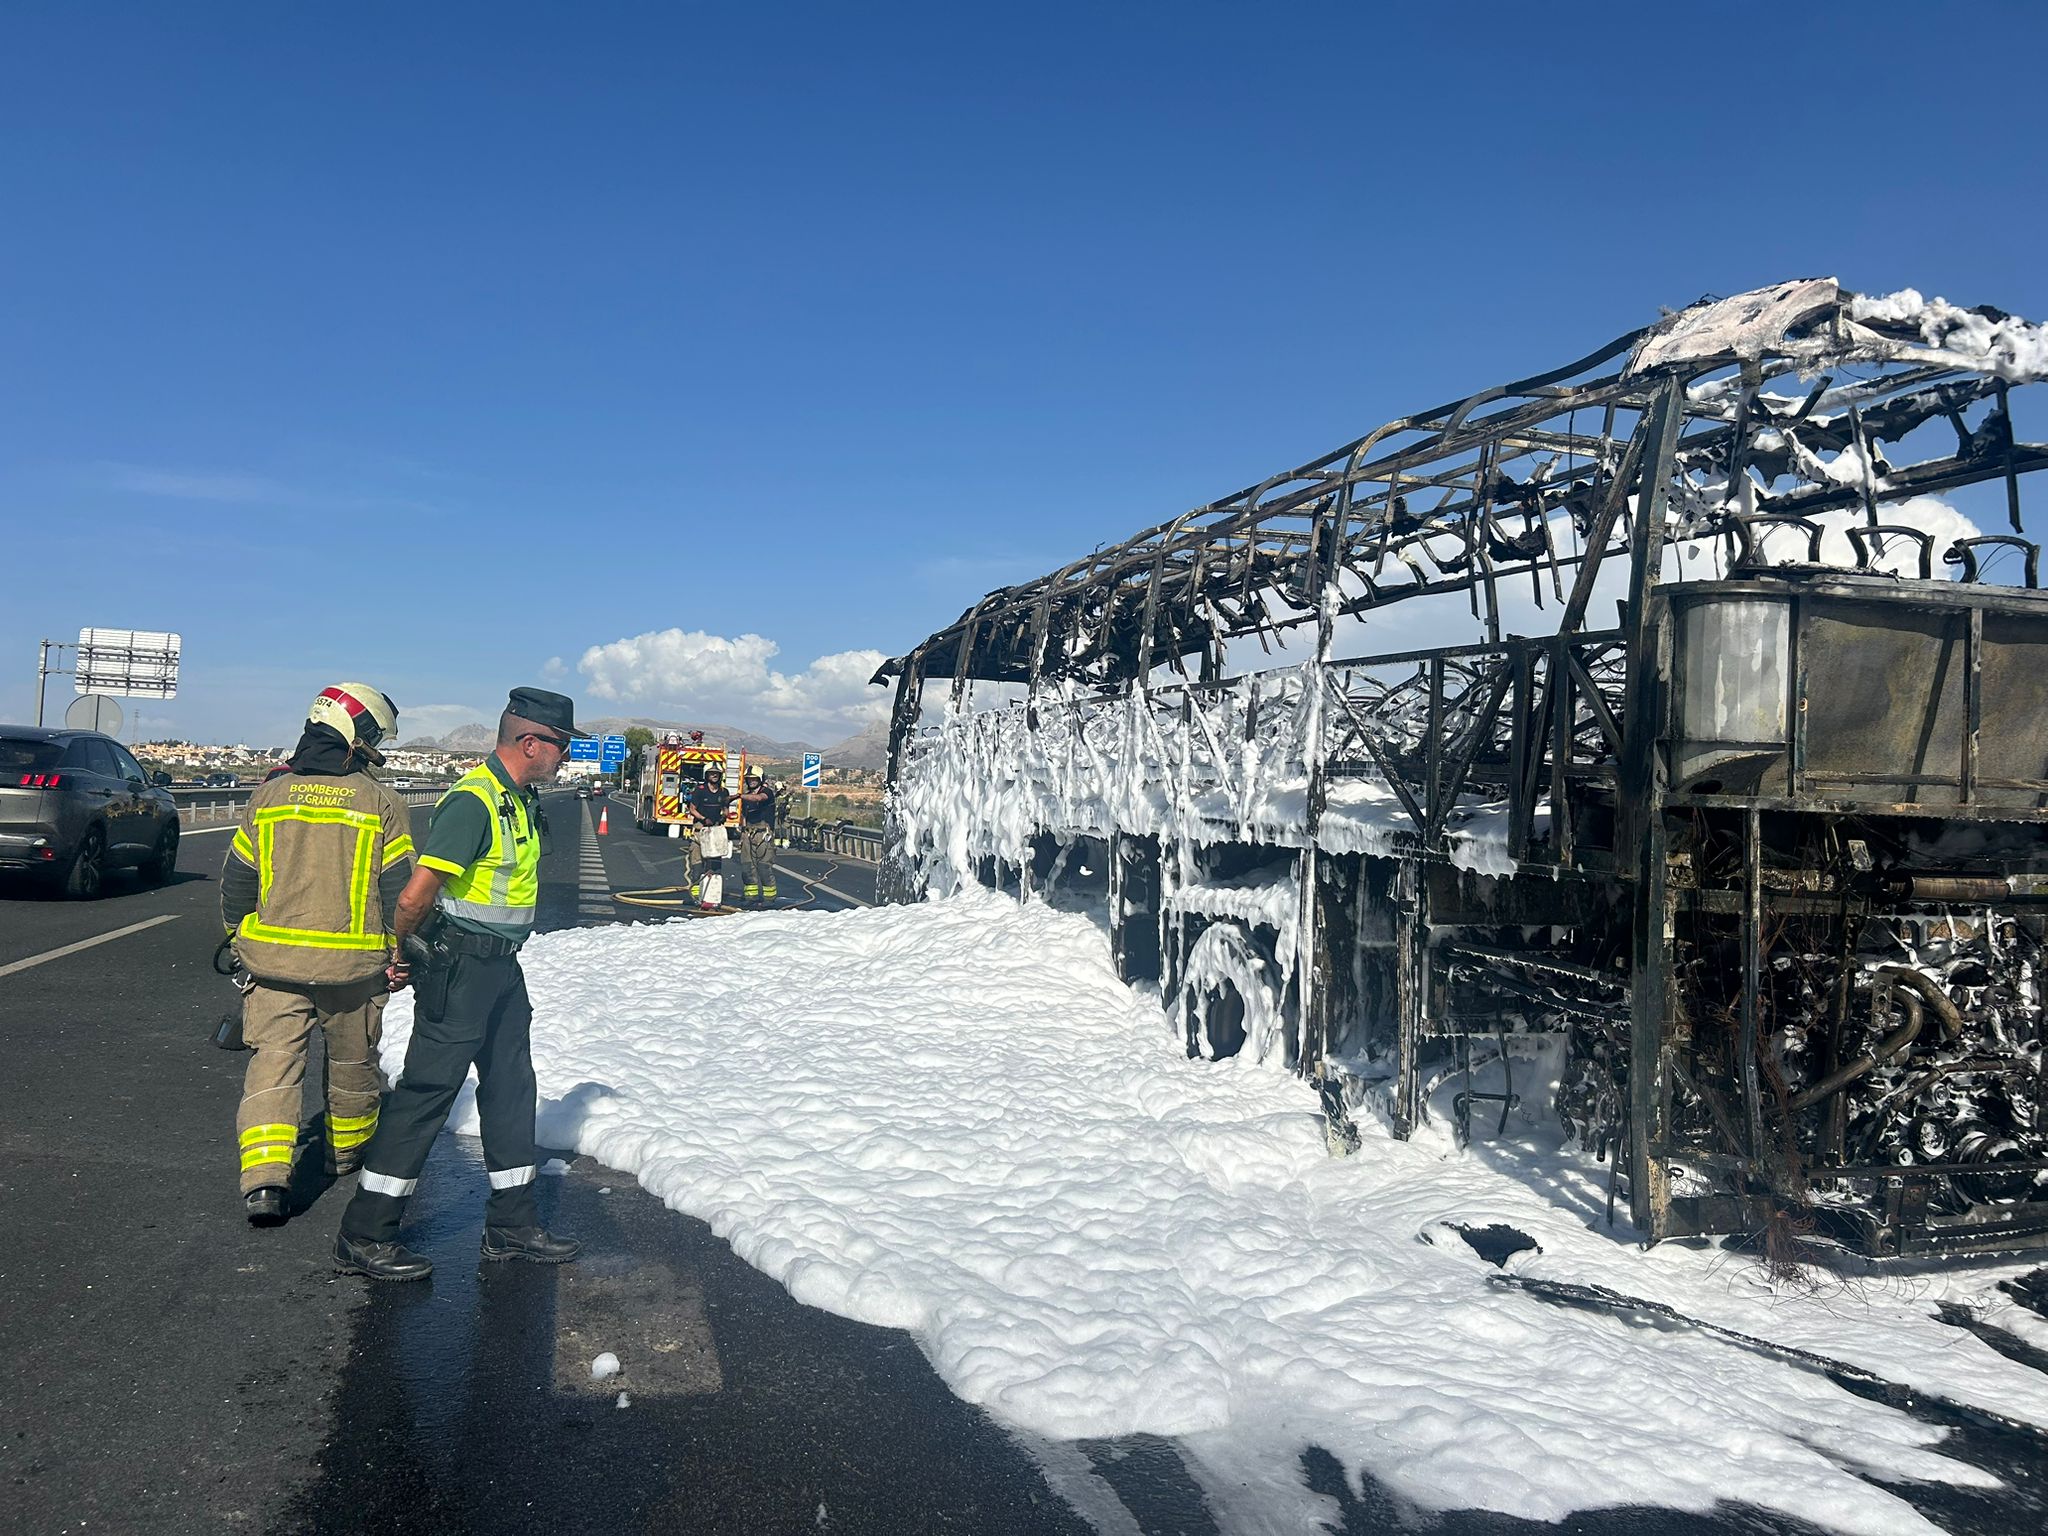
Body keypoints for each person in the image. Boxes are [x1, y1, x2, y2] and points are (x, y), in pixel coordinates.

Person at [333, 687, 583, 1281]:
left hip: (501, 970)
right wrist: (403, 953)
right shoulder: (473, 801)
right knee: (426, 1094)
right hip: (460, 969)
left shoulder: (519, 798)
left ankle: (511, 1225)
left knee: (511, 1089)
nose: (565, 757)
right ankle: (364, 1233)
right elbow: (418, 894)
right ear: (530, 743)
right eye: (561, 746)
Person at [222, 683, 413, 1225]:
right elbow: (400, 892)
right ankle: (342, 1156)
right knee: (353, 1065)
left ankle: (264, 1182)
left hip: (274, 966)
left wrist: (237, 938)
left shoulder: (270, 795)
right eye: (375, 736)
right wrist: (403, 955)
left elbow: (238, 879)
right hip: (353, 971)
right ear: (358, 734)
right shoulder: (381, 802)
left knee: (273, 1067)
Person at [686, 760, 734, 909]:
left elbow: (725, 808)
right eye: (712, 774)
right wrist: (702, 818)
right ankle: (696, 896)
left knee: (715, 866)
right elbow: (692, 808)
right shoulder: (700, 790)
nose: (714, 776)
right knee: (697, 865)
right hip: (701, 830)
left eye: (717, 774)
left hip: (716, 830)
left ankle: (713, 897)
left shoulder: (723, 792)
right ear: (707, 775)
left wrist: (724, 816)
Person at [738, 767, 778, 905]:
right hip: (748, 833)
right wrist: (742, 832)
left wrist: (739, 796)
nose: (751, 781)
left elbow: (759, 798)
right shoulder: (747, 796)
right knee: (747, 867)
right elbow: (744, 815)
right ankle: (751, 897)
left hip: (763, 834)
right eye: (749, 779)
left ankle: (769, 898)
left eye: (754, 779)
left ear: (760, 779)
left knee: (763, 867)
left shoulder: (766, 792)